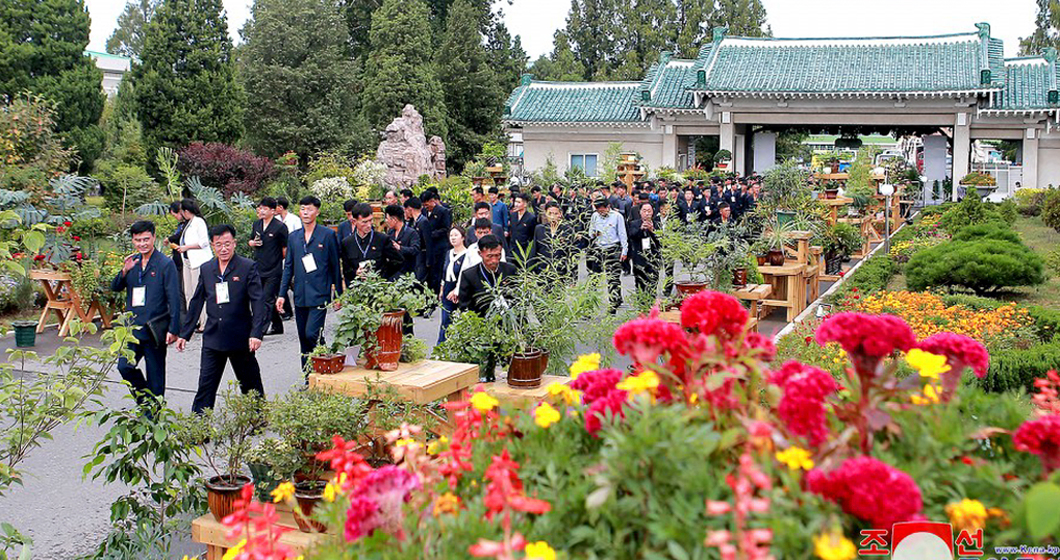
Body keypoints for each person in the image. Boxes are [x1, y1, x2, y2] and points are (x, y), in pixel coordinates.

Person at [176, 224, 268, 413]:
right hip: (213, 337)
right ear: (212, 245)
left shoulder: (247, 267)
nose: (223, 249)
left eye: (227, 244)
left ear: (234, 243)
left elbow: (258, 302)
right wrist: (184, 333)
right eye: (219, 245)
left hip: (240, 337)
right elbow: (196, 301)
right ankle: (200, 426)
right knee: (206, 385)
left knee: (250, 383)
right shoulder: (207, 268)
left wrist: (256, 333)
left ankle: (257, 418)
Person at [110, 220, 182, 405]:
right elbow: (115, 287)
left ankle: (154, 416)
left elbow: (174, 298)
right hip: (132, 330)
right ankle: (146, 401)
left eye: (145, 239)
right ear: (133, 241)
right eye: (137, 240)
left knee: (155, 375)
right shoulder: (132, 262)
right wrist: (124, 271)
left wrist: (174, 329)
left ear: (154, 237)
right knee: (124, 367)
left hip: (154, 328)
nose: (142, 244)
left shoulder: (165, 264)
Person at [277, 195, 344, 374]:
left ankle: (323, 359)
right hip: (300, 294)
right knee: (303, 338)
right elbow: (288, 266)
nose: (305, 213)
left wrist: (338, 294)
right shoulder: (294, 237)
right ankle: (309, 375)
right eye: (303, 209)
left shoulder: (327, 234)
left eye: (310, 209)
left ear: (317, 212)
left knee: (311, 333)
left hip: (319, 293)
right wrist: (282, 294)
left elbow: (334, 266)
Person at [457, 234, 518, 382]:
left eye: (498, 256)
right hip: (482, 329)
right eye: (489, 256)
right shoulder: (469, 275)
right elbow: (464, 306)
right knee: (485, 375)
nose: (494, 261)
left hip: (507, 328)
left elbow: (517, 299)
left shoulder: (510, 270)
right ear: (480, 254)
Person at [249, 197, 288, 336]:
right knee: (262, 298)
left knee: (267, 299)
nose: (262, 211)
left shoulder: (280, 227)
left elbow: (285, 249)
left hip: (274, 269)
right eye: (260, 208)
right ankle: (278, 326)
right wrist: (253, 243)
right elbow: (251, 240)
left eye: (265, 209)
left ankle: (260, 329)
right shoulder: (257, 224)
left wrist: (277, 260)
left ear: (273, 210)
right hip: (259, 266)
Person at [340, 202, 402, 284]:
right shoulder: (347, 243)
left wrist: (381, 276)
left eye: (370, 220)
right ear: (354, 222)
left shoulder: (382, 239)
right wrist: (356, 273)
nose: (369, 225)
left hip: (379, 289)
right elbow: (346, 271)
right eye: (364, 222)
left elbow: (398, 261)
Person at [174, 199, 212, 330]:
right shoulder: (188, 223)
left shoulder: (198, 222)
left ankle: (204, 322)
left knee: (198, 292)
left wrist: (186, 247)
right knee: (188, 292)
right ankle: (193, 320)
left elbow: (204, 242)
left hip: (198, 261)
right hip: (187, 261)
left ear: (186, 211)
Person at [587, 198, 627, 313]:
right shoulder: (595, 216)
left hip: (613, 248)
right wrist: (594, 233)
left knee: (613, 278)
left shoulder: (617, 216)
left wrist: (624, 251)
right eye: (599, 211)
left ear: (608, 207)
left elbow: (622, 234)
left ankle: (613, 303)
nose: (601, 213)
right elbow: (591, 232)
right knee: (594, 277)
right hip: (599, 248)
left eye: (603, 210)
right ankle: (589, 305)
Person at [529, 202, 578, 281]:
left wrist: (573, 277)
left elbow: (572, 253)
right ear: (545, 214)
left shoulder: (567, 230)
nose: (552, 217)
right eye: (550, 213)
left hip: (560, 271)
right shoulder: (540, 229)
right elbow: (534, 250)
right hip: (542, 271)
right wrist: (530, 273)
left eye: (555, 213)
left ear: (560, 214)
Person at [437, 226, 468, 344]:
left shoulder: (466, 254)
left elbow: (464, 274)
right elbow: (444, 273)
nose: (453, 238)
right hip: (446, 289)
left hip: (458, 291)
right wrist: (441, 289)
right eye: (451, 235)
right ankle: (441, 346)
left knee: (456, 320)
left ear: (463, 237)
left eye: (456, 235)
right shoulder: (448, 253)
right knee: (445, 321)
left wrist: (456, 290)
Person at [628, 203, 662, 297]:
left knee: (653, 281)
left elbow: (661, 241)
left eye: (649, 211)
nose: (646, 213)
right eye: (644, 211)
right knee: (639, 282)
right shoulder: (634, 223)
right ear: (640, 212)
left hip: (653, 257)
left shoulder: (657, 224)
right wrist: (641, 229)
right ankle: (641, 303)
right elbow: (632, 235)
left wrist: (652, 231)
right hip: (639, 256)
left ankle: (651, 302)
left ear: (652, 212)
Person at [420, 190, 451, 293]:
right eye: (424, 205)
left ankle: (437, 293)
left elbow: (446, 229)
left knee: (438, 272)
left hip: (439, 247)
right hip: (428, 247)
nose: (426, 207)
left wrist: (431, 234)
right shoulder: (424, 212)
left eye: (427, 204)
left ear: (432, 200)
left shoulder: (443, 211)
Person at [275, 197, 299, 320]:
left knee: (294, 282)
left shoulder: (294, 219)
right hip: (280, 256)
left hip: (293, 254)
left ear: (280, 207)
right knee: (283, 283)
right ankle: (286, 311)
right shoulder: (275, 220)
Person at [385, 204, 421, 278]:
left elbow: (415, 249)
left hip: (407, 272)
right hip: (392, 272)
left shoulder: (411, 233)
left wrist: (400, 248)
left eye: (387, 218)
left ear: (394, 219)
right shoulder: (390, 232)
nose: (386, 221)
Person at [404, 197, 429, 282]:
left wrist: (428, 261)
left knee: (419, 280)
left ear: (410, 209)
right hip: (415, 256)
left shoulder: (423, 221)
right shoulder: (413, 222)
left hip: (422, 255)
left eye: (406, 210)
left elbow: (428, 242)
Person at [507, 193, 536, 263]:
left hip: (524, 250)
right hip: (512, 249)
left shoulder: (531, 218)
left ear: (525, 204)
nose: (516, 204)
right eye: (515, 202)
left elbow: (532, 235)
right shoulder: (512, 215)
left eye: (519, 202)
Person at [166, 201, 186, 295]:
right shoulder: (181, 225)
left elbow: (179, 237)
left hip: (183, 261)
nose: (176, 218)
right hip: (177, 261)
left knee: (182, 288)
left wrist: (169, 239)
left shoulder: (187, 225)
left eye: (175, 215)